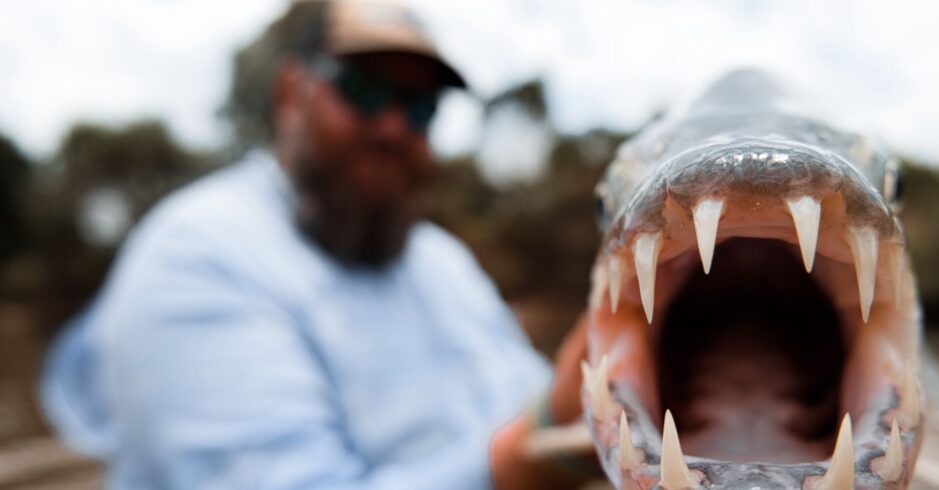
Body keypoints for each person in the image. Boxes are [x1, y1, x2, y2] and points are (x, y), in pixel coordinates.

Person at [39, 1, 589, 488]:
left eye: (422, 107)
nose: (396, 126)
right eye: (365, 90)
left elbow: (545, 399)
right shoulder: (196, 255)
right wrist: (533, 458)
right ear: (290, 93)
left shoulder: (443, 262)